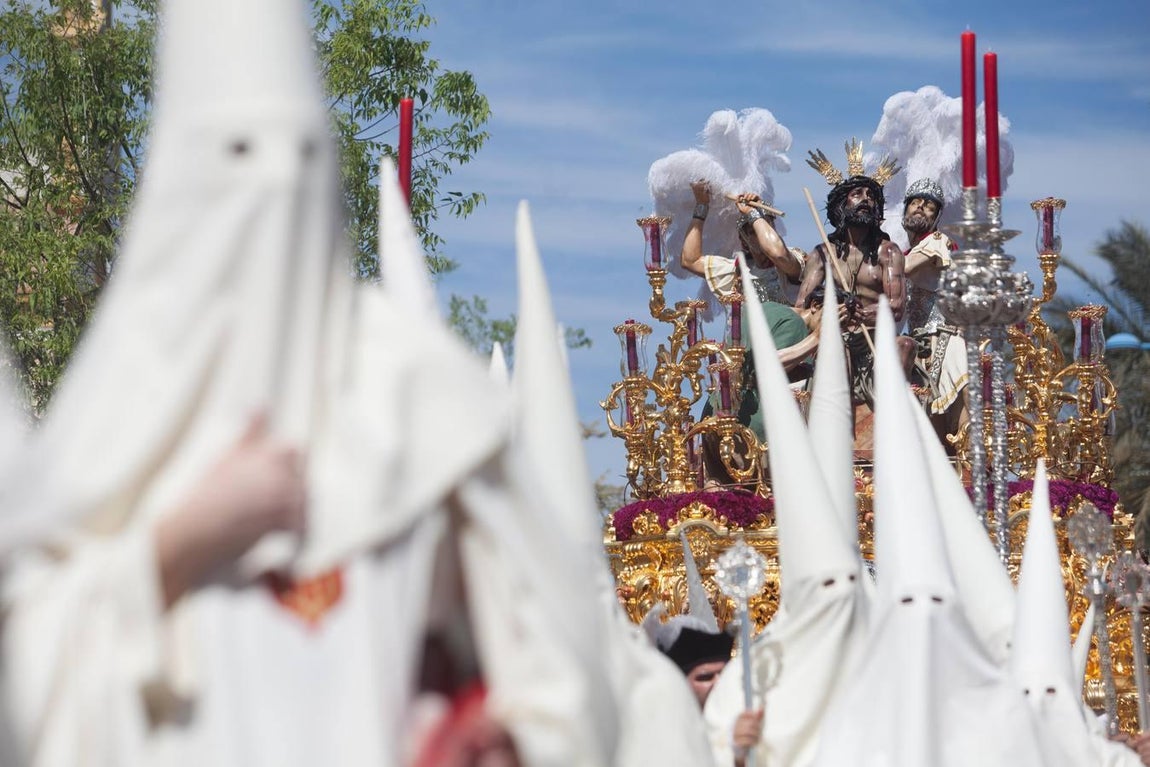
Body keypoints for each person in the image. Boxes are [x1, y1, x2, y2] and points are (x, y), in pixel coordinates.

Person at [796, 142, 912, 408]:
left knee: (905, 344)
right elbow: (801, 307)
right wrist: (831, 312)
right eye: (857, 194)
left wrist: (861, 312)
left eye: (871, 196)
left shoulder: (888, 252)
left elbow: (896, 307)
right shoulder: (823, 254)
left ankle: (892, 417)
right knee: (835, 348)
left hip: (875, 339)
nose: (866, 200)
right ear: (841, 205)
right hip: (833, 335)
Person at [900, 177, 968, 447]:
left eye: (928, 207)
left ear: (937, 216)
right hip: (918, 346)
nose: (919, 208)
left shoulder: (938, 242)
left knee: (961, 409)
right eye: (914, 203)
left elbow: (902, 269)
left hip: (946, 340)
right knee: (929, 426)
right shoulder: (910, 250)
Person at [648, 613, 763, 767]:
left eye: (723, 674)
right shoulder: (659, 734)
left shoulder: (742, 718)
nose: (718, 683)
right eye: (705, 677)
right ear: (679, 684)